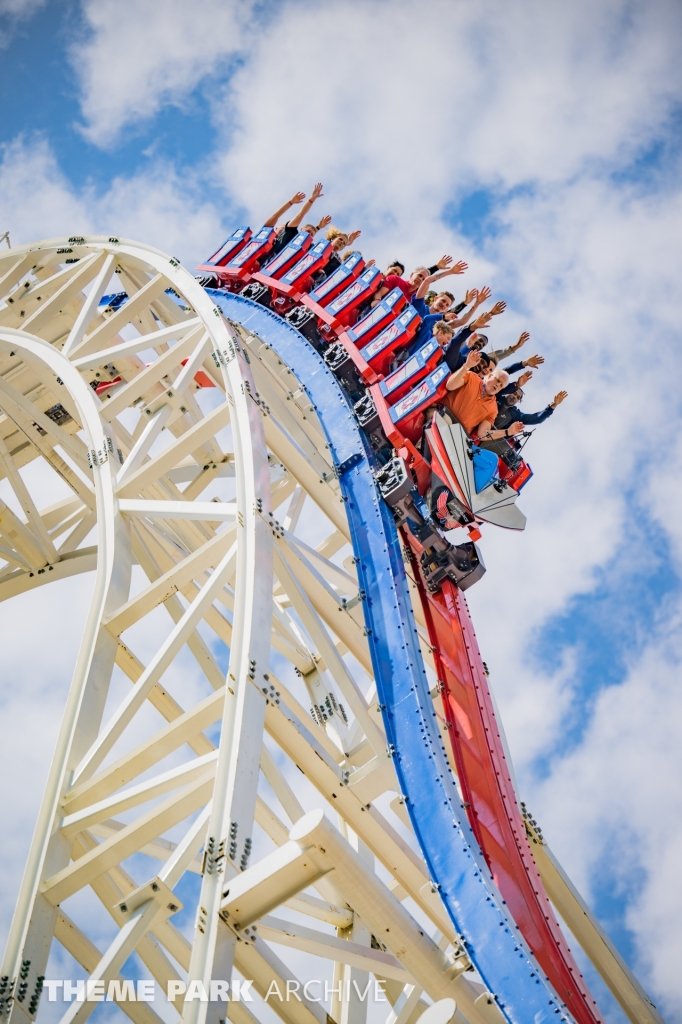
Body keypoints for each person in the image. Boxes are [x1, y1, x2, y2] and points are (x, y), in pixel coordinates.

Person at [436, 350, 525, 441]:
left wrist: (508, 432)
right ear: (489, 376)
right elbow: (450, 386)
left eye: (501, 385)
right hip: (440, 415)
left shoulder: (493, 409)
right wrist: (466, 366)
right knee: (445, 422)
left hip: (457, 435)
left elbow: (482, 434)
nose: (498, 385)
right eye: (497, 380)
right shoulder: (471, 377)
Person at [268, 183, 329, 255]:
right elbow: (301, 214)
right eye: (307, 231)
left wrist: (318, 228)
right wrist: (312, 198)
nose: (308, 234)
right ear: (301, 229)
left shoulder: (305, 247)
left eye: (311, 234)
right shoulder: (291, 233)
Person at [494, 389, 568, 431]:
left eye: (517, 397)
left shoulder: (515, 414)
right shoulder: (496, 395)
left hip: (489, 433)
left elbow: (537, 418)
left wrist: (553, 405)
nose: (514, 397)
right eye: (514, 393)